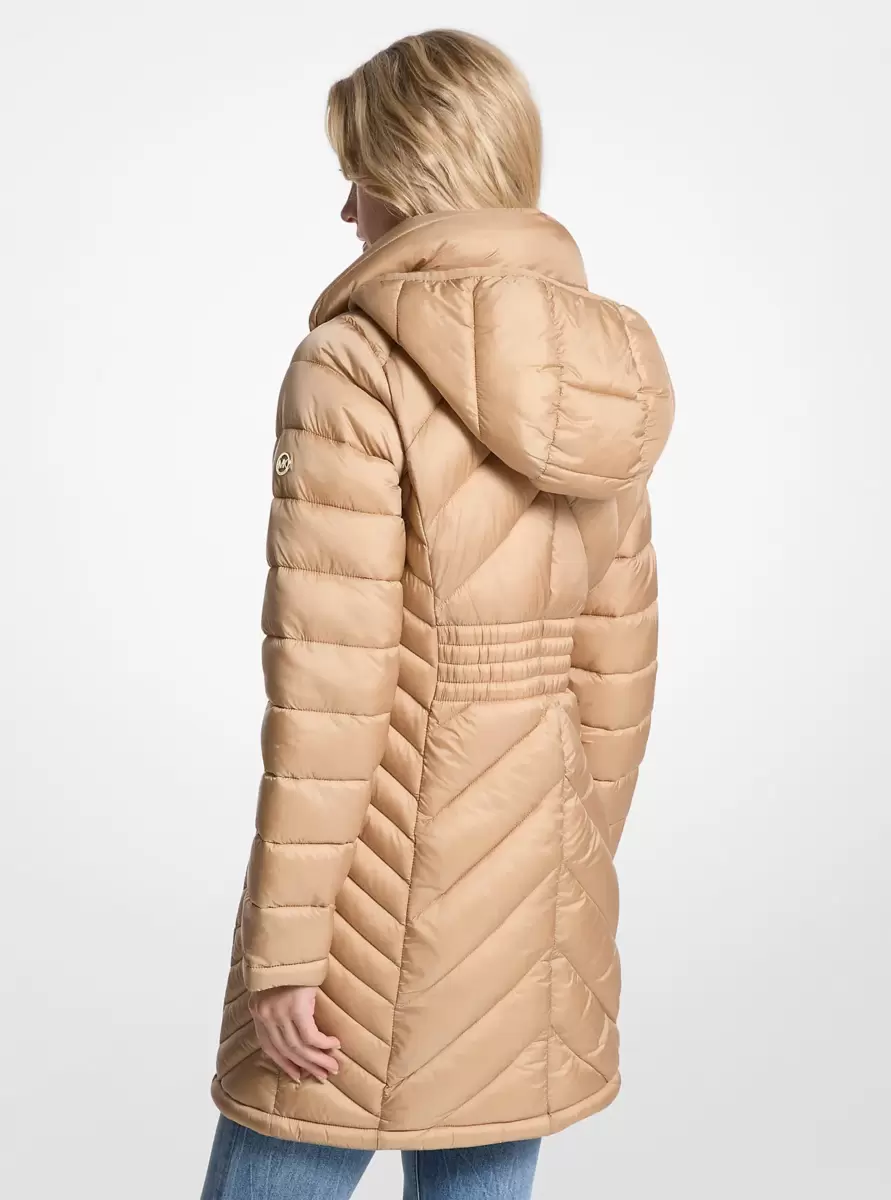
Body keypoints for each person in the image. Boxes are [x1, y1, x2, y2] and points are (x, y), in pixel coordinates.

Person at [202, 28, 674, 1200]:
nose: (347, 211)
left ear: (413, 173)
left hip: (367, 902)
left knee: (281, 1152)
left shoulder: (351, 365)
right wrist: (566, 864)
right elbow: (618, 665)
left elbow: (331, 682)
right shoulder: (603, 374)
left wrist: (290, 943)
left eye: (359, 174)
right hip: (535, 892)